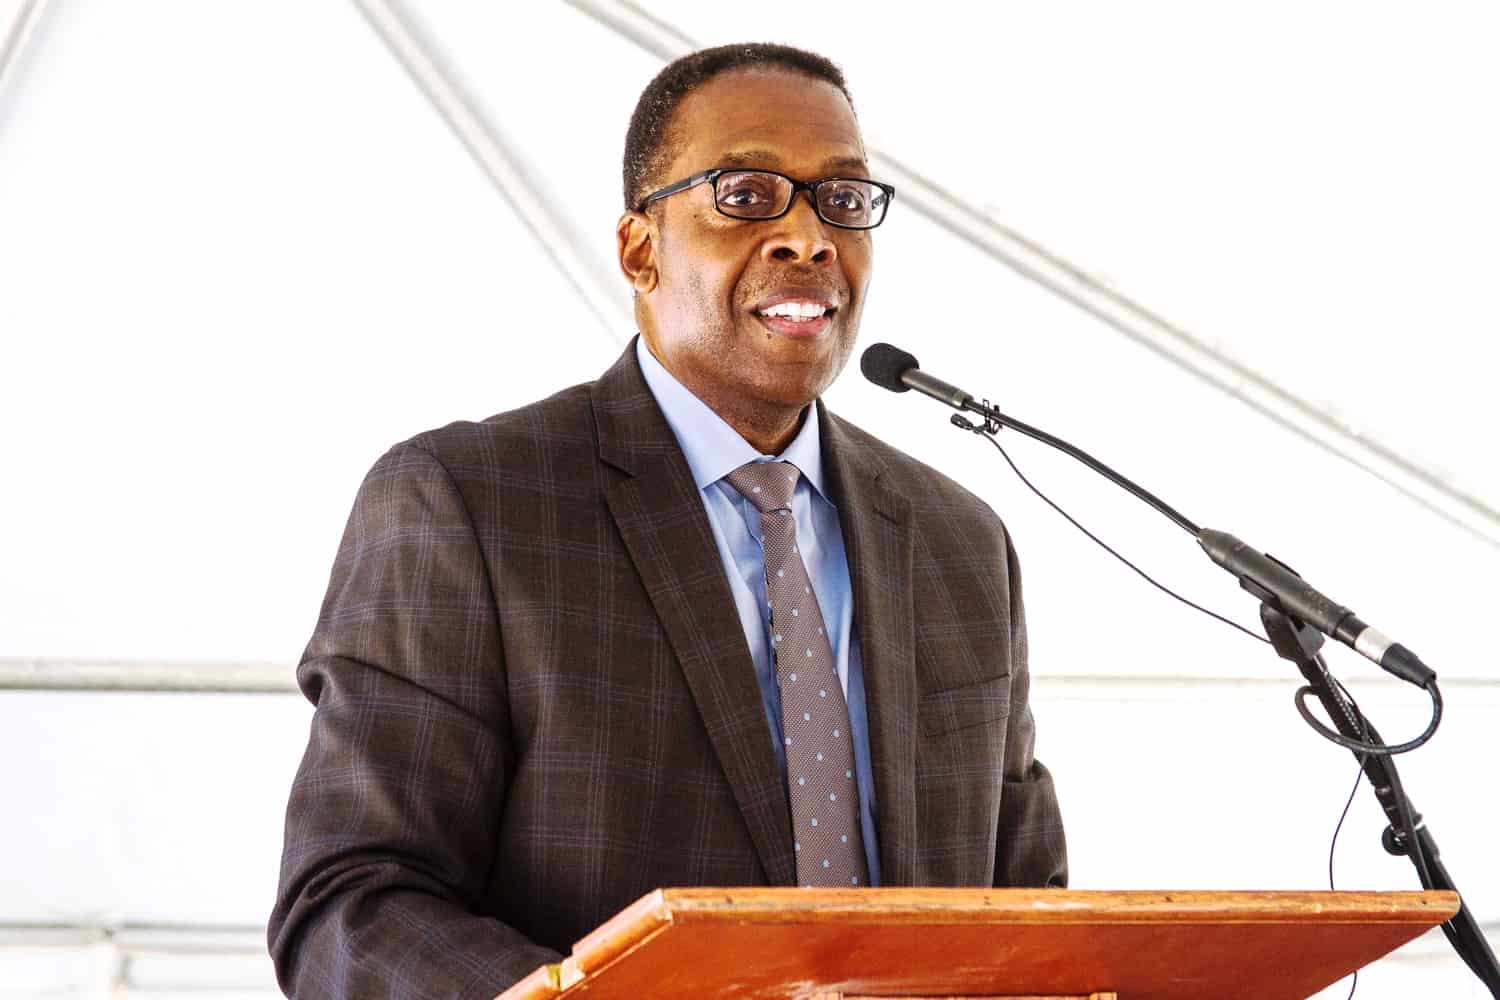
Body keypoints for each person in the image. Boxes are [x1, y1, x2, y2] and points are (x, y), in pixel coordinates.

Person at [268, 42, 1066, 998]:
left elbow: (1031, 912)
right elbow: (351, 906)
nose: (809, 238)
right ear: (640, 250)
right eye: (747, 195)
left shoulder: (959, 543)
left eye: (843, 199)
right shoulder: (468, 501)